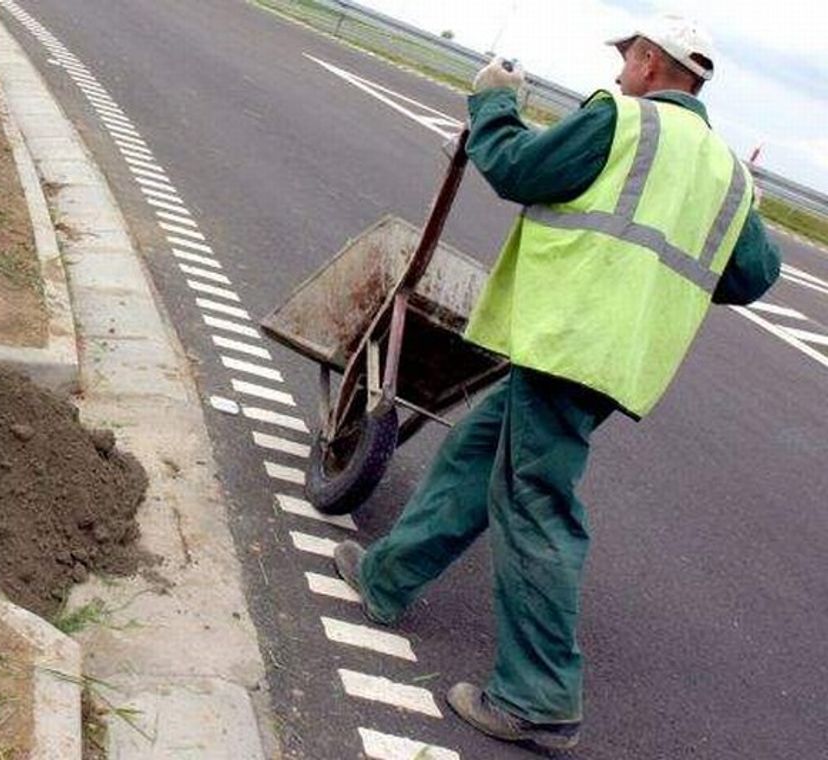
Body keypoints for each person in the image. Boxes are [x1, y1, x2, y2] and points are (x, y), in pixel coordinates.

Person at [333, 14, 781, 752]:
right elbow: (752, 275)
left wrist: (491, 102)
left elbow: (517, 168)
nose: (616, 73)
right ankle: (387, 578)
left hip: (571, 338)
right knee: (478, 452)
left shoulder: (623, 121)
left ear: (647, 61)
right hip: (617, 359)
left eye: (625, 59)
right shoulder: (727, 173)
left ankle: (538, 698)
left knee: (536, 503)